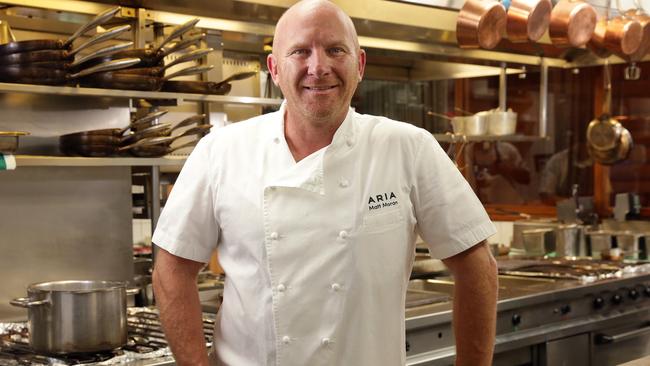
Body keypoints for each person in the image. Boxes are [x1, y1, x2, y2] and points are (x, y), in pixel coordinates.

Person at [151, 1, 498, 365]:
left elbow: (477, 265)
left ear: (359, 64)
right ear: (275, 70)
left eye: (335, 50)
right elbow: (171, 268)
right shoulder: (221, 151)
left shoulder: (408, 148)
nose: (318, 68)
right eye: (300, 52)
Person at [465, 141, 531, 204]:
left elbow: (526, 178)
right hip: (484, 205)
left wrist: (509, 169)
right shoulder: (468, 151)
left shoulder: (507, 149)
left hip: (509, 204)